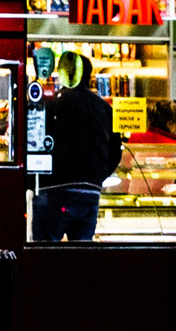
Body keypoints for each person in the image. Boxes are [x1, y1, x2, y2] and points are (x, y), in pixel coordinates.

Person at [34, 51, 122, 242]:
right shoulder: (104, 107)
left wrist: (34, 180)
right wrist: (98, 177)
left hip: (54, 190)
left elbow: (36, 142)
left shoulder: (51, 103)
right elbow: (116, 151)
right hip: (90, 191)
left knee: (46, 253)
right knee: (81, 253)